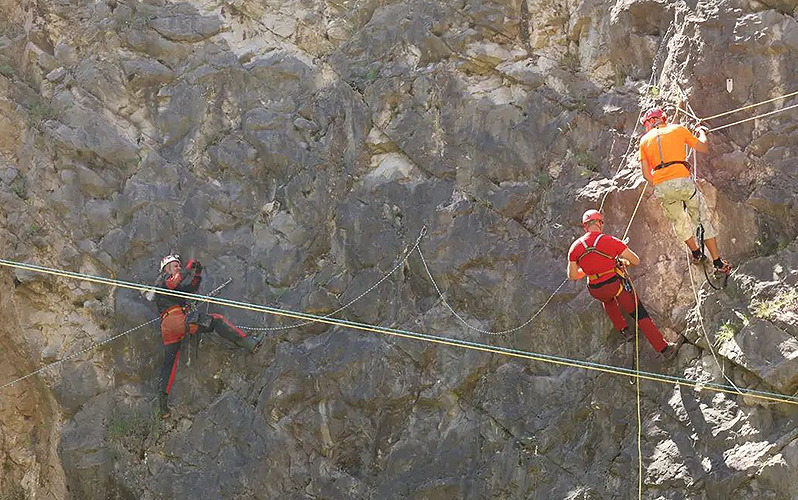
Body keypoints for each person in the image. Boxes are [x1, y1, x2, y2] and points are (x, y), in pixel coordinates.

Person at [153, 254, 264, 418]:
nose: (177, 267)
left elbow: (191, 288)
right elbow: (175, 280)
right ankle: (250, 343)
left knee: (170, 363)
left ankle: (162, 407)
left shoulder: (170, 287)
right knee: (217, 321)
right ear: (166, 268)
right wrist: (188, 268)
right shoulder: (163, 280)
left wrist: (197, 273)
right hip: (177, 320)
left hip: (168, 328)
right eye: (175, 265)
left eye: (178, 265)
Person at [567, 210, 678, 359]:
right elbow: (636, 260)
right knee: (639, 313)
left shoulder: (575, 247)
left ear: (585, 227)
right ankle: (664, 349)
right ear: (600, 223)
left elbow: (573, 275)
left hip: (596, 289)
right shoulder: (610, 241)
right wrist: (617, 261)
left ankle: (624, 330)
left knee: (607, 299)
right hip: (614, 285)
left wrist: (591, 270)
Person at [638, 107, 731, 275]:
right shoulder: (678, 129)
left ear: (652, 121)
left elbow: (645, 174)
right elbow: (702, 147)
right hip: (682, 180)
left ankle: (696, 253)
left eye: (646, 124)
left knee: (678, 221)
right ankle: (718, 263)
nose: (646, 127)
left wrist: (660, 183)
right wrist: (701, 131)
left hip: (662, 186)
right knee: (701, 219)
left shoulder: (644, 141)